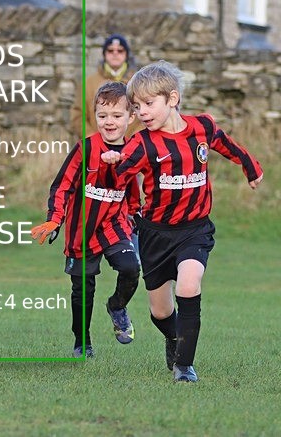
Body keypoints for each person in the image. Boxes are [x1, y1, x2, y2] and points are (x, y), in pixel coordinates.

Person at [101, 61, 262, 382]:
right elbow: (116, 180)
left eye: (149, 104)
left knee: (189, 285)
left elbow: (229, 146)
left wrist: (251, 167)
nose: (143, 112)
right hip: (155, 234)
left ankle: (184, 366)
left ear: (172, 99)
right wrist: (112, 161)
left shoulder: (202, 127)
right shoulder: (142, 143)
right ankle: (173, 337)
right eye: (137, 107)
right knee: (160, 312)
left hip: (195, 230)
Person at [31, 82, 142, 358]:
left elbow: (134, 188)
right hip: (84, 230)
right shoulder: (85, 148)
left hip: (115, 225)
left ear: (131, 117)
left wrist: (137, 214)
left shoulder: (134, 151)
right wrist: (55, 219)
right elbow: (63, 186)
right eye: (102, 115)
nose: (109, 122)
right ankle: (83, 342)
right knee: (83, 288)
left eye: (117, 116)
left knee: (130, 268)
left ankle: (117, 306)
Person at [71, 34, 140, 138]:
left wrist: (135, 140)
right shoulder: (88, 83)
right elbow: (78, 115)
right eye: (110, 50)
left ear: (126, 55)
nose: (115, 54)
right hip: (98, 148)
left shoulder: (139, 83)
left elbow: (145, 113)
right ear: (104, 54)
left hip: (133, 147)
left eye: (120, 51)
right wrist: (92, 138)